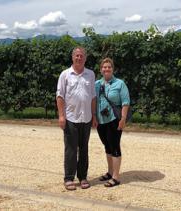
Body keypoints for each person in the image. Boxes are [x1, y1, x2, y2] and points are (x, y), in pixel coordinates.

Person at [56, 47, 97, 191]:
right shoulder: (65, 75)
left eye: (81, 56)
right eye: (77, 56)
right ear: (72, 57)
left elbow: (93, 96)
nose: (79, 58)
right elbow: (60, 96)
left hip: (86, 118)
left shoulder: (90, 75)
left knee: (84, 149)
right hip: (71, 118)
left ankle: (83, 177)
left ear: (85, 58)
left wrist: (93, 115)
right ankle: (68, 178)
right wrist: (62, 116)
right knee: (71, 150)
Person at [95, 58, 130, 187]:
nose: (106, 69)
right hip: (101, 120)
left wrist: (123, 119)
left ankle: (116, 177)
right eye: (104, 67)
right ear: (101, 69)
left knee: (114, 146)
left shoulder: (120, 84)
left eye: (109, 67)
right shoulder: (97, 84)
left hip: (115, 120)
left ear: (112, 69)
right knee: (107, 146)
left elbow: (126, 102)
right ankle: (110, 172)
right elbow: (94, 100)